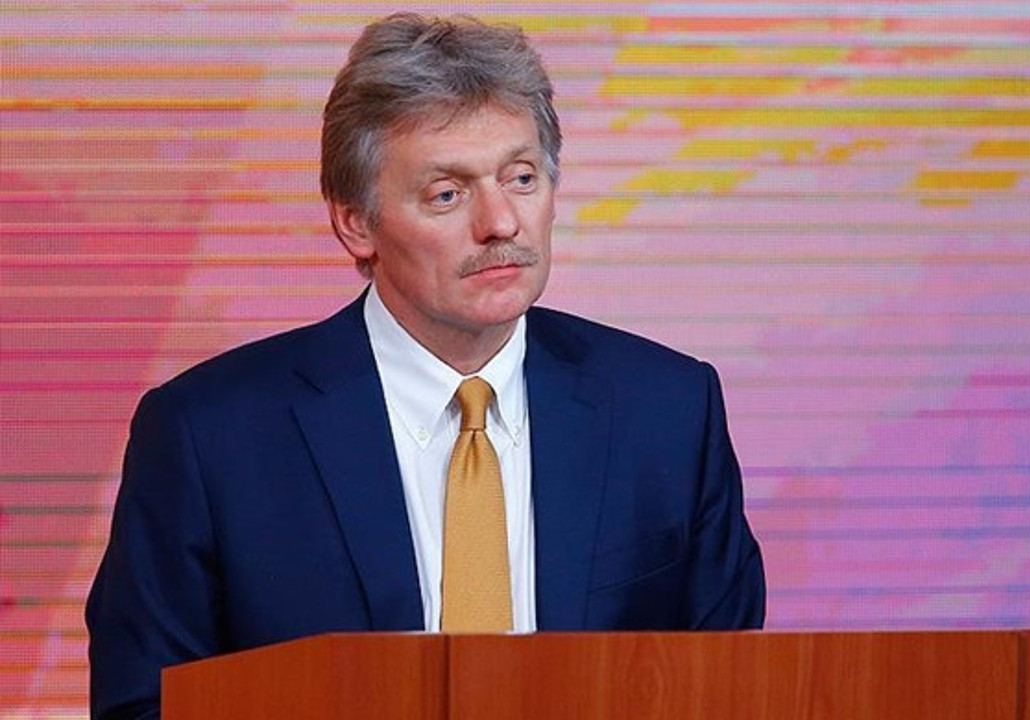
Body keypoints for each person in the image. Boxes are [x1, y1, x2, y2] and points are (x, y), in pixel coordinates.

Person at [85, 12, 765, 720]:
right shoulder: (210, 436)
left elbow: (732, 689)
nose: (500, 223)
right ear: (356, 222)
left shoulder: (669, 410)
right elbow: (145, 706)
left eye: (521, 178)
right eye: (448, 193)